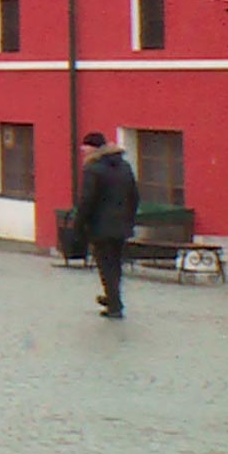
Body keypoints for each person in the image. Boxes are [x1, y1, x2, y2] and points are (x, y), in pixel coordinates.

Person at [75, 131, 140, 319]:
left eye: (85, 146)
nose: (83, 150)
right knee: (115, 264)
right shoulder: (124, 166)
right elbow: (134, 196)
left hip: (100, 225)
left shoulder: (93, 168)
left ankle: (114, 304)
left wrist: (79, 225)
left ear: (93, 148)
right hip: (121, 225)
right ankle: (113, 298)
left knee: (105, 264)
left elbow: (87, 200)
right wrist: (129, 218)